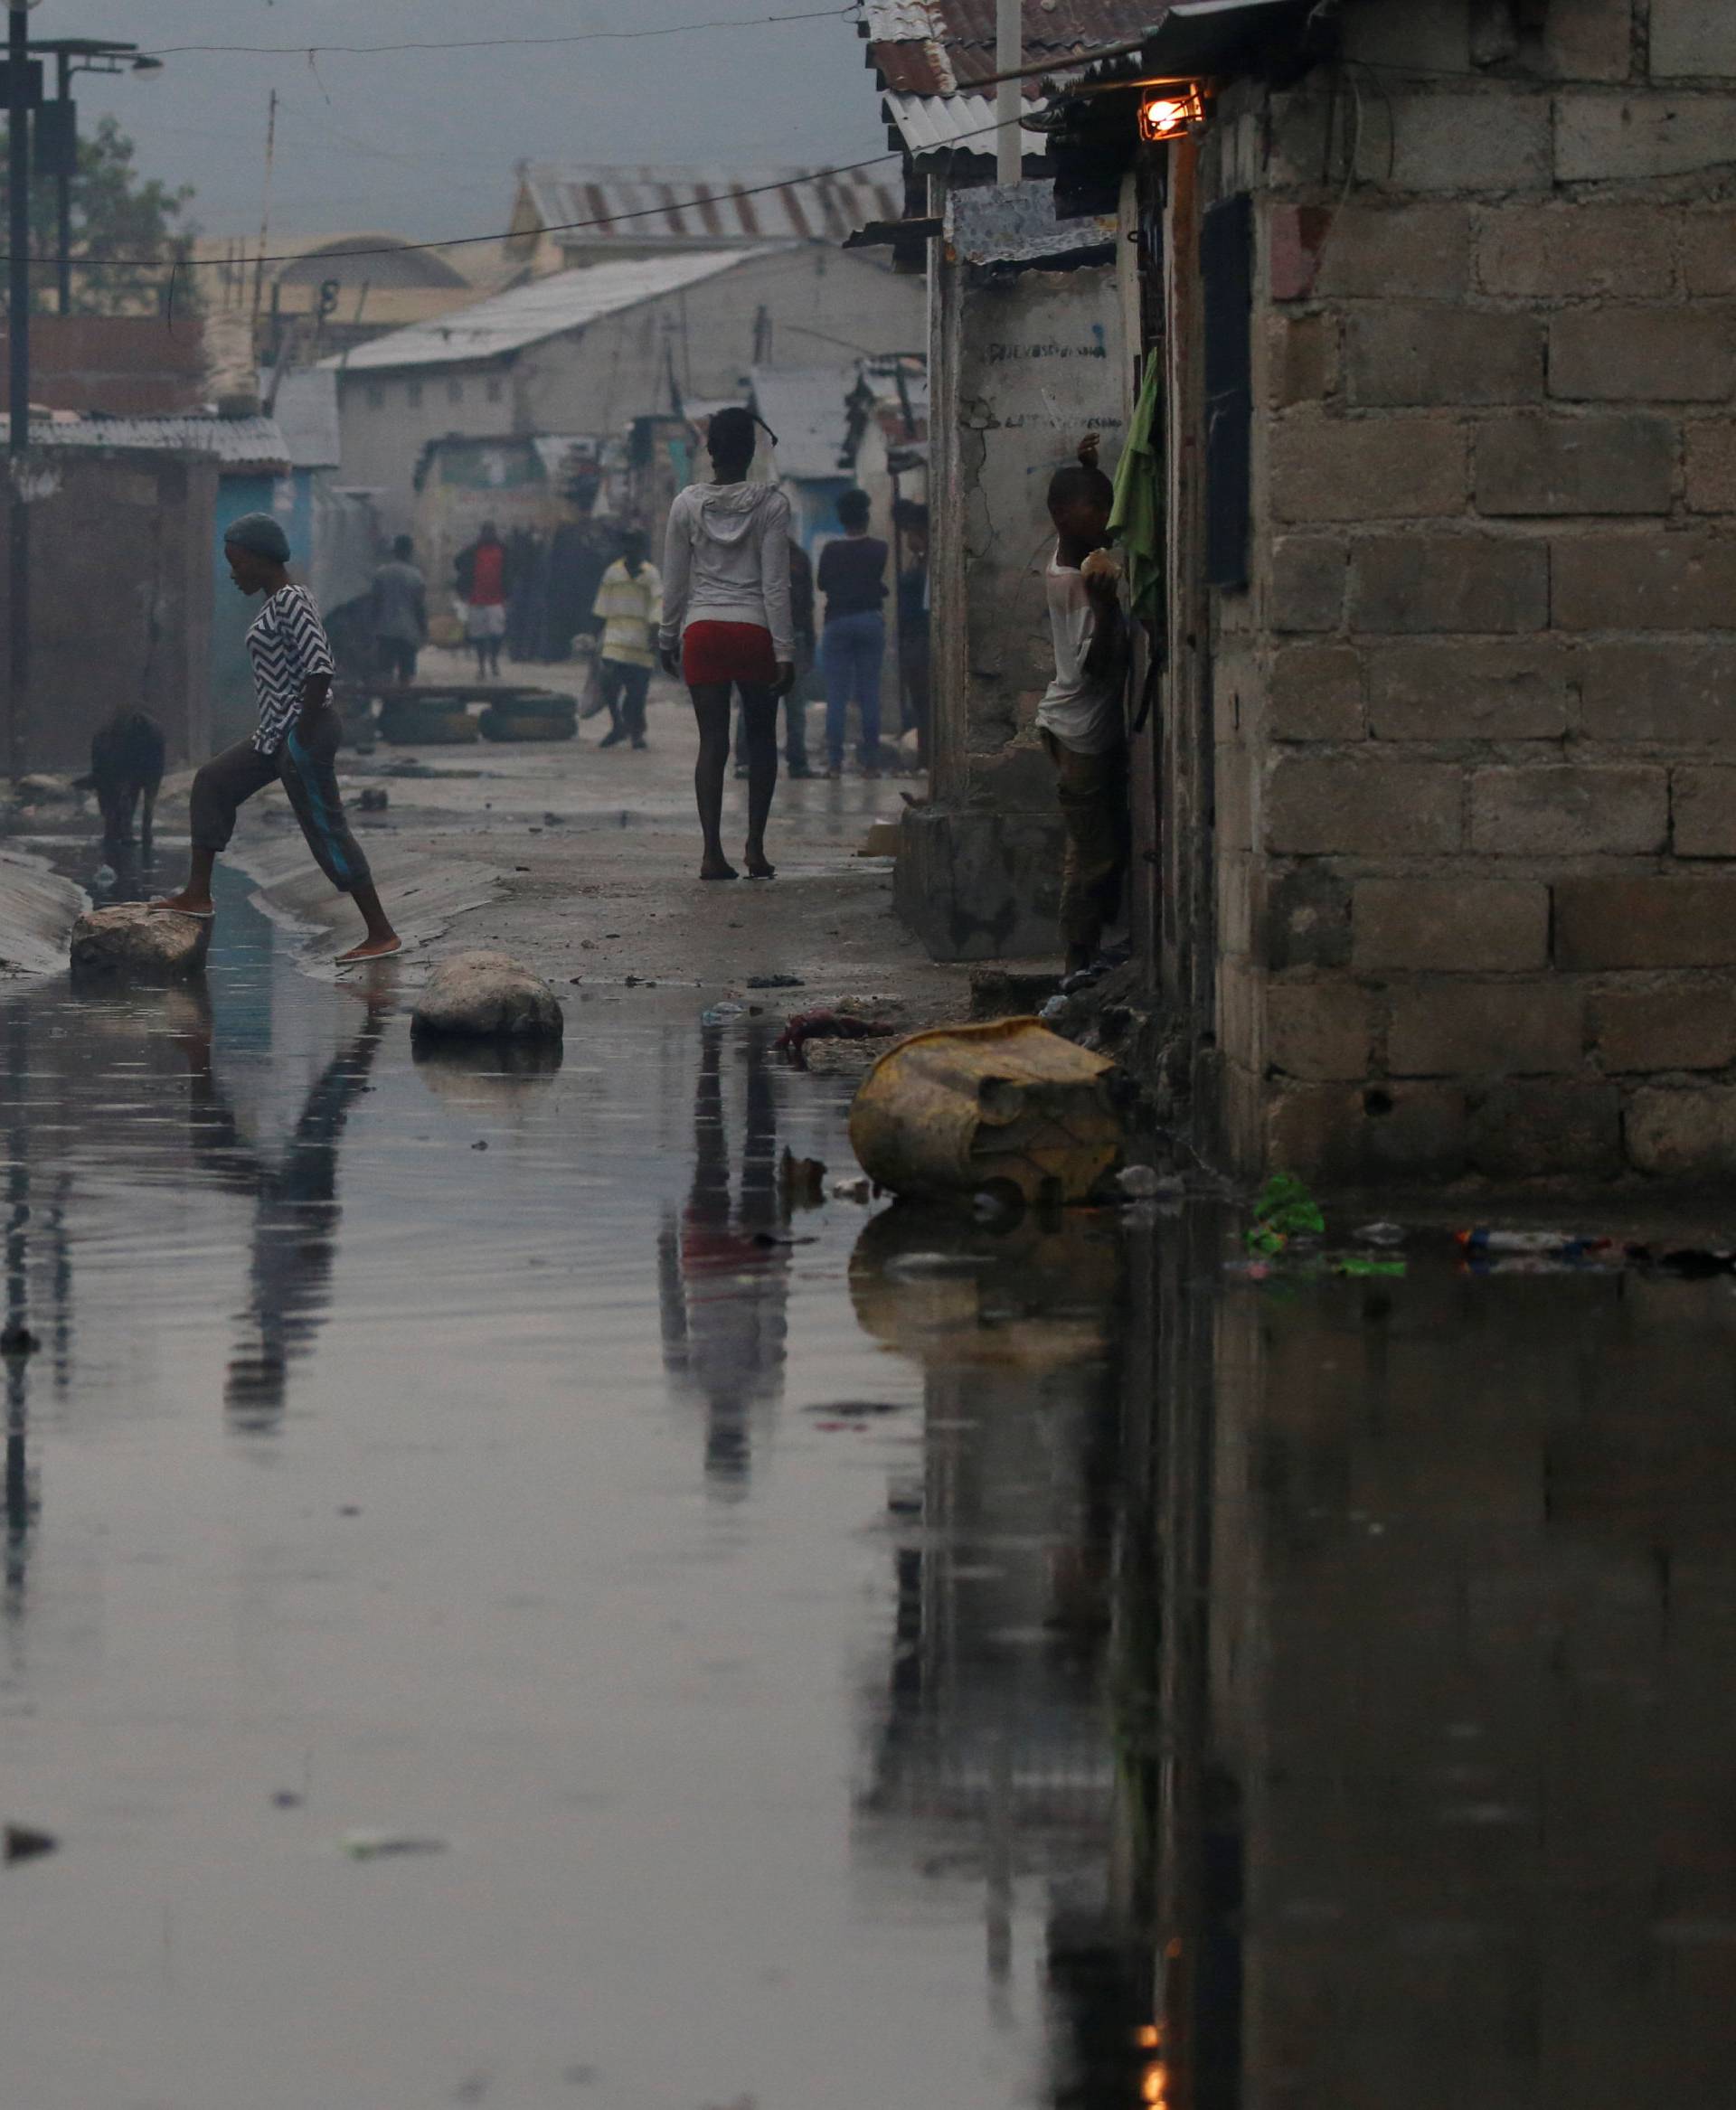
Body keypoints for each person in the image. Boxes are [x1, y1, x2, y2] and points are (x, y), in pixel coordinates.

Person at [154, 513, 401, 965]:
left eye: (238, 563)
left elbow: (320, 664)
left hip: (302, 731)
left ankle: (381, 932)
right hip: (274, 735)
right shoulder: (272, 604)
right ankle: (197, 894)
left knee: (325, 828)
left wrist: (302, 733)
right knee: (212, 783)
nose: (233, 573)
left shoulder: (292, 599)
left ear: (262, 560)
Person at [659, 406, 794, 881]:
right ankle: (755, 849)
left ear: (710, 450)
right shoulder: (773, 506)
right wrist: (784, 652)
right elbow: (777, 585)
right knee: (760, 741)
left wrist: (666, 635)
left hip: (704, 632)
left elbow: (674, 581)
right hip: (754, 632)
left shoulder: (686, 504)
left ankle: (712, 854)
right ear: (753, 450)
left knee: (711, 742)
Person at [1037, 438, 1130, 978]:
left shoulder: (1065, 556)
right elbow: (1095, 666)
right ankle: (1077, 958)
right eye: (1093, 511)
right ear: (1061, 517)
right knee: (1091, 852)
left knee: (1097, 841)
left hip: (1073, 726)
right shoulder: (1075, 583)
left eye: (1105, 511)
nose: (1103, 523)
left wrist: (1090, 473)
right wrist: (1106, 607)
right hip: (1079, 732)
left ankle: (1088, 950)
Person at [817, 488, 888, 778]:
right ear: (867, 517)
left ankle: (834, 764)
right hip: (870, 620)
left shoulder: (831, 551)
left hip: (838, 622)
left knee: (836, 695)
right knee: (869, 693)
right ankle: (870, 762)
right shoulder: (879, 549)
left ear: (841, 519)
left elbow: (822, 584)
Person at [734, 536, 816, 779]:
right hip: (772, 636)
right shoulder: (793, 557)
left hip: (783, 637)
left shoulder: (789, 557)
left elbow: (806, 605)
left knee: (768, 702)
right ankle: (789, 761)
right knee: (775, 702)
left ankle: (754, 760)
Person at [590, 528, 662, 750]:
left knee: (637, 693)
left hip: (641, 641)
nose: (632, 550)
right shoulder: (612, 573)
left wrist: (655, 635)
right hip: (615, 639)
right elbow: (602, 605)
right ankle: (618, 725)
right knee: (610, 685)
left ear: (642, 549)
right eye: (628, 546)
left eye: (636, 546)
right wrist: (594, 636)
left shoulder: (651, 575)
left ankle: (636, 732)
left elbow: (658, 606)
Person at [79, 704, 165, 849]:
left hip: (120, 769)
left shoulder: (107, 736)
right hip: (147, 766)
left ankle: (124, 832)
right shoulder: (151, 732)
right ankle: (143, 832)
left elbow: (111, 784)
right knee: (138, 798)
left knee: (125, 795)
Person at [892, 499, 930, 772]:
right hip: (912, 640)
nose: (908, 540)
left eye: (911, 534)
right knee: (920, 704)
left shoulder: (928, 566)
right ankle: (924, 757)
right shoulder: (917, 563)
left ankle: (927, 758)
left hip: (922, 639)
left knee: (925, 703)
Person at [455, 520, 509, 679]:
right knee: (478, 636)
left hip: (496, 599)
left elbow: (513, 567)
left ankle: (493, 659)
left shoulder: (503, 550)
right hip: (476, 598)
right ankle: (481, 665)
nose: (488, 535)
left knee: (497, 633)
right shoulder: (472, 550)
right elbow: (458, 562)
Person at [371, 533, 427, 686]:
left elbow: (375, 602)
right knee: (406, 674)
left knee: (384, 672)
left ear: (394, 551)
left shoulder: (381, 574)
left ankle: (387, 705)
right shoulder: (416, 576)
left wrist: (372, 627)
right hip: (408, 632)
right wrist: (423, 630)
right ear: (410, 551)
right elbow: (419, 606)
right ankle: (402, 706)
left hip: (385, 630)